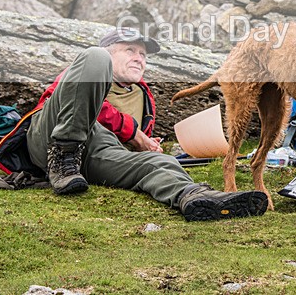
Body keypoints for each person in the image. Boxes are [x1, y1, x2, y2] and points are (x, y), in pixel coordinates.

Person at [22, 27, 268, 221]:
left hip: (97, 157)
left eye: (143, 55)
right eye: (130, 50)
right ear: (110, 53)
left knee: (163, 161)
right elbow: (69, 100)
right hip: (50, 141)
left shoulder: (143, 96)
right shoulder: (87, 68)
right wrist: (134, 133)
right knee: (92, 57)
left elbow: (128, 145)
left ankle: (196, 197)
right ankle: (63, 158)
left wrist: (146, 146)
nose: (139, 59)